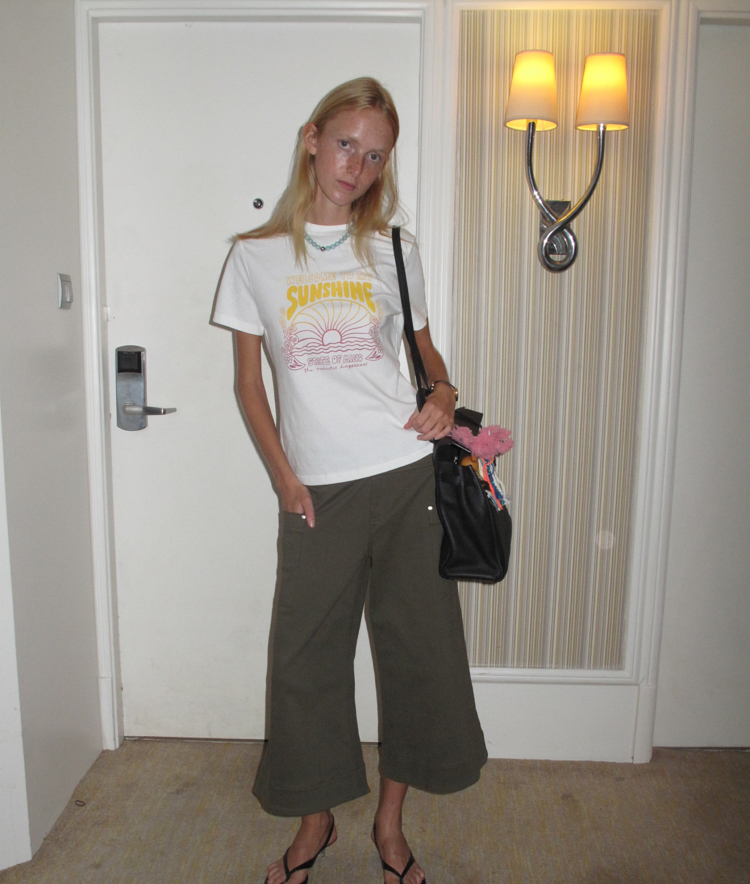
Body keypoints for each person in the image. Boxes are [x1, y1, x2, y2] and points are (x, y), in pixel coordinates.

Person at [212, 77, 486, 884]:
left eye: (374, 157)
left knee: (417, 655)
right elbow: (250, 386)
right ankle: (316, 819)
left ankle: (390, 825)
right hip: (318, 491)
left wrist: (444, 393)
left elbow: (426, 355)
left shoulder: (395, 248)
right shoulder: (253, 256)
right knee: (306, 661)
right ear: (311, 138)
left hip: (407, 477)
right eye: (345, 145)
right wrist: (284, 478)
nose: (356, 168)